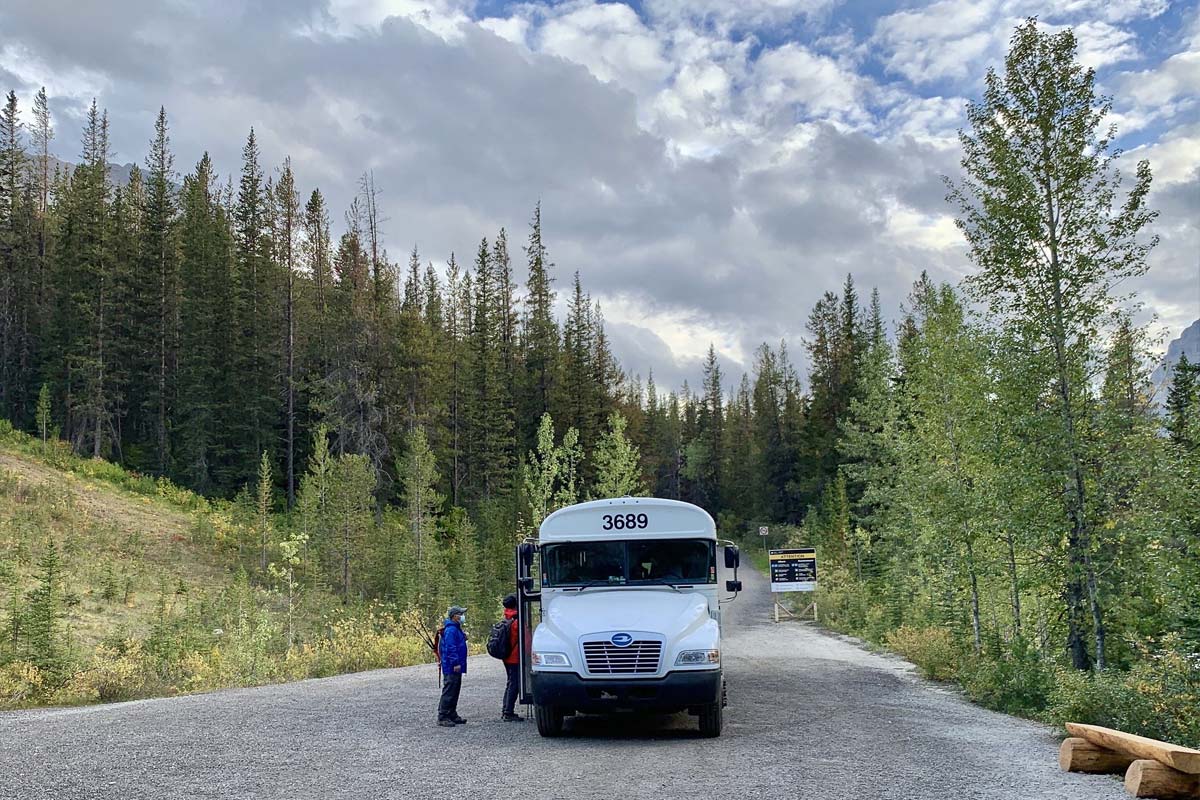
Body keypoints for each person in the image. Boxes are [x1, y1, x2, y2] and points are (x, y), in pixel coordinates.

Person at [437, 605, 468, 728]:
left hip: (456, 665)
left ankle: (452, 713)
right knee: (449, 690)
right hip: (451, 666)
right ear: (454, 616)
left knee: (455, 689)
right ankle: (443, 716)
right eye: (460, 614)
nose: (462, 616)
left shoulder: (456, 628)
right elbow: (450, 648)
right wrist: (455, 663)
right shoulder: (451, 630)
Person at [501, 594, 523, 722]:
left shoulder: (507, 618)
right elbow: (525, 640)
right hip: (515, 657)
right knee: (514, 684)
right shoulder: (517, 621)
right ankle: (508, 712)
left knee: (510, 683)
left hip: (507, 657)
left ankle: (506, 709)